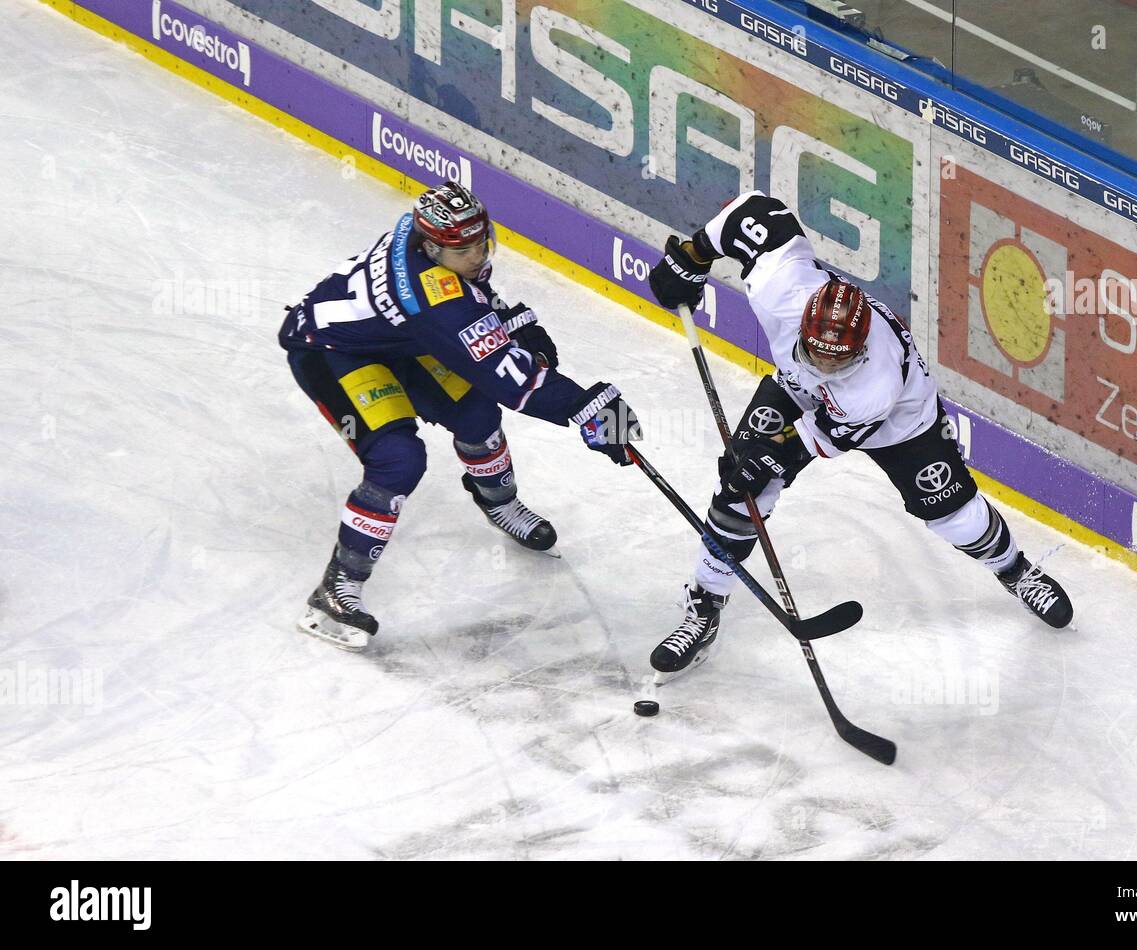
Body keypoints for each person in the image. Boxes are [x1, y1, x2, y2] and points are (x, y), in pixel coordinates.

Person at [646, 190, 1072, 679]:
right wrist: (692, 257)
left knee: (954, 514)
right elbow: (755, 210)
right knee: (739, 494)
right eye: (818, 351)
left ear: (860, 346)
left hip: (899, 424)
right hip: (797, 388)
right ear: (804, 323)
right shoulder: (780, 286)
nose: (827, 363)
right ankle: (704, 606)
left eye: (838, 358)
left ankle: (1015, 570)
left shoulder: (874, 385)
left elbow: (811, 442)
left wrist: (766, 457)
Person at [279, 181, 639, 651]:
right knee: (397, 460)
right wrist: (587, 408)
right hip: (332, 352)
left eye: (480, 243)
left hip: (401, 339)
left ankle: (498, 502)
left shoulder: (423, 232)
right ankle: (335, 589)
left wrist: (512, 322)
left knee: (476, 415)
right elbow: (512, 380)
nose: (476, 255)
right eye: (463, 249)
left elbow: (473, 294)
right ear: (432, 248)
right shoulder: (436, 303)